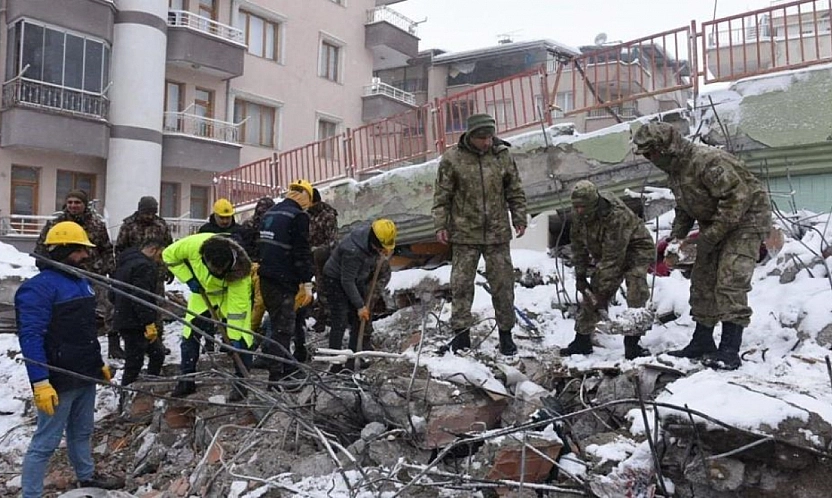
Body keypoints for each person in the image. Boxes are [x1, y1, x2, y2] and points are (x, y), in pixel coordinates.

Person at [633, 121, 772, 370]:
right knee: (702, 280)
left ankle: (729, 350)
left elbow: (736, 199)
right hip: (716, 222)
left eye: (651, 152)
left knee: (730, 279)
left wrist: (710, 237)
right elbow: (685, 207)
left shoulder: (707, 161)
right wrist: (677, 238)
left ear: (666, 148)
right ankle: (702, 342)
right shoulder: (677, 171)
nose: (649, 158)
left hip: (746, 221)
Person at [16, 221, 123, 496]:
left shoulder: (81, 283)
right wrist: (40, 381)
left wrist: (97, 364)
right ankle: (30, 493)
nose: (86, 256)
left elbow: (87, 330)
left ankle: (86, 476)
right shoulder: (37, 289)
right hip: (58, 378)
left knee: (83, 431)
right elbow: (31, 337)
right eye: (79, 250)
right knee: (46, 442)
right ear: (62, 250)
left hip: (84, 373)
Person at [432, 113, 528, 355]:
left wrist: (519, 217)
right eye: (482, 137)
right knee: (461, 285)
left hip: (497, 234)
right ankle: (461, 335)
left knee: (503, 286)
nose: (487, 142)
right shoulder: (452, 159)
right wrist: (440, 225)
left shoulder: (502, 156)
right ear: (471, 136)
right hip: (465, 233)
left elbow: (515, 190)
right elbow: (442, 196)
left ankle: (506, 336)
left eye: (489, 136)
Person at [562, 180, 656, 359]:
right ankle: (581, 340)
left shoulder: (616, 216)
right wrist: (581, 276)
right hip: (606, 252)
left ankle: (632, 344)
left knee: (636, 288)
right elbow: (578, 246)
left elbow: (613, 259)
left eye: (583, 207)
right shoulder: (578, 214)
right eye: (577, 206)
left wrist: (603, 295)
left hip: (635, 249)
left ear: (593, 203)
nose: (579, 210)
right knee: (594, 290)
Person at [163, 233, 253, 398]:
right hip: (202, 294)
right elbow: (168, 255)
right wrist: (189, 279)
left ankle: (241, 384)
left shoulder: (240, 273)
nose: (216, 272)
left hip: (228, 296)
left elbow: (237, 311)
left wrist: (233, 338)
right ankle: (186, 381)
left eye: (220, 271)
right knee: (190, 336)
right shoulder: (193, 246)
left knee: (242, 337)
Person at [35, 190, 118, 358]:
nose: (73, 205)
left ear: (84, 204)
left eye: (77, 202)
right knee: (72, 310)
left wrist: (109, 270)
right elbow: (41, 249)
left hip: (94, 273)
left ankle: (114, 345)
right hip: (64, 276)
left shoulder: (96, 224)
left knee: (108, 308)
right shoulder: (55, 224)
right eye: (70, 202)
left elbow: (107, 249)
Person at [257, 180, 315, 382]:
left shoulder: (271, 213)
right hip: (283, 280)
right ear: (305, 196)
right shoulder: (298, 216)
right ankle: (277, 377)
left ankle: (284, 366)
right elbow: (301, 250)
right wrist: (306, 281)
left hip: (266, 278)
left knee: (276, 324)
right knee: (284, 328)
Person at [323, 219, 396, 371]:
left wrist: (361, 307)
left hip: (357, 278)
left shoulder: (373, 240)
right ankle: (335, 362)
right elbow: (347, 281)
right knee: (340, 318)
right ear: (374, 242)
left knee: (359, 319)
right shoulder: (352, 251)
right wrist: (360, 305)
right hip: (335, 279)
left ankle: (353, 360)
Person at [115, 196, 174, 353]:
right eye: (146, 212)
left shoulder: (161, 225)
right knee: (135, 306)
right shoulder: (128, 225)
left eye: (152, 212)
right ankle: (135, 343)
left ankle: (156, 343)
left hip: (156, 274)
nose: (149, 216)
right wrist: (121, 271)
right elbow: (120, 249)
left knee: (156, 307)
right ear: (140, 210)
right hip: (133, 274)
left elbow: (169, 249)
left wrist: (169, 269)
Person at [111, 238, 167, 386]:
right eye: (160, 255)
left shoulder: (124, 262)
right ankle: (131, 393)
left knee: (156, 354)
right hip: (136, 322)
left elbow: (112, 293)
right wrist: (148, 322)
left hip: (124, 317)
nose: (160, 261)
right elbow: (141, 296)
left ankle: (147, 387)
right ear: (153, 250)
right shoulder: (144, 266)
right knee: (135, 362)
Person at [304, 187, 339, 335]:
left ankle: (330, 321)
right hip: (311, 260)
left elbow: (333, 242)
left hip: (325, 261)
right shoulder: (306, 216)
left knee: (326, 290)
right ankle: (321, 318)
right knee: (317, 290)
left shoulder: (327, 216)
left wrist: (317, 251)